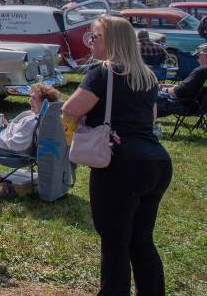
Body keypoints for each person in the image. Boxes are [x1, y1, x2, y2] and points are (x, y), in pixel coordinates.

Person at [63, 15, 170, 296]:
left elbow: (71, 110)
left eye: (94, 37)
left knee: (114, 241)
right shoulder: (147, 76)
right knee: (141, 240)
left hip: (120, 163)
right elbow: (151, 118)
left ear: (110, 41)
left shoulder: (103, 72)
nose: (90, 42)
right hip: (155, 161)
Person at [0, 83, 60, 154]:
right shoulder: (41, 116)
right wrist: (8, 126)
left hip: (9, 153)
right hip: (5, 135)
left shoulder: (31, 123)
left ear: (44, 102)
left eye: (34, 98)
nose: (30, 101)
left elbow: (9, 145)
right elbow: (21, 135)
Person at [155, 43, 207, 117]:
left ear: (205, 56)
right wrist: (173, 86)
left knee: (150, 96)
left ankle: (145, 123)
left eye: (198, 56)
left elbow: (179, 92)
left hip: (186, 105)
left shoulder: (202, 70)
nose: (197, 58)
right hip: (201, 107)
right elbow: (195, 88)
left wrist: (164, 89)